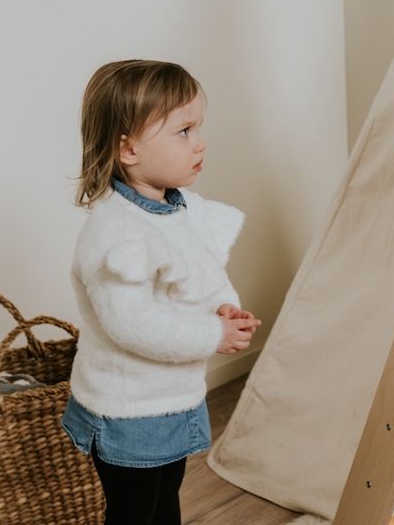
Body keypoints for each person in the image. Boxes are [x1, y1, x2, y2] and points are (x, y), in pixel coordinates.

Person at [63, 59, 260, 524]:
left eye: (198, 128)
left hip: (172, 397)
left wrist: (223, 307)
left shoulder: (176, 207)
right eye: (183, 131)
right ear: (128, 149)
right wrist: (212, 336)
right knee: (135, 509)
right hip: (130, 409)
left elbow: (203, 272)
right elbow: (131, 324)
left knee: (167, 497)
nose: (200, 142)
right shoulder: (117, 233)